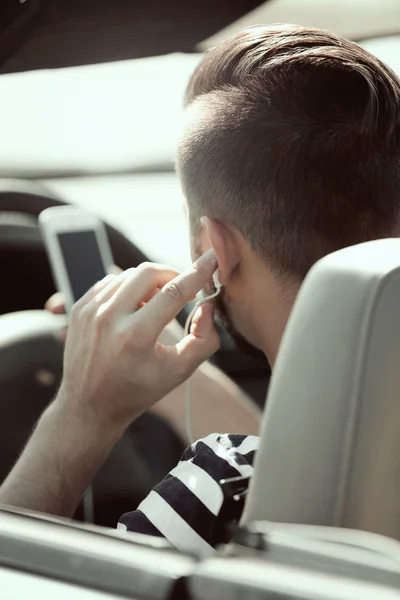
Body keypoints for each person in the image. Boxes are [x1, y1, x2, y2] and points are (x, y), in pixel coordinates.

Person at [1, 24, 400, 558]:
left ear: (216, 248)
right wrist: (189, 390)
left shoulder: (218, 490)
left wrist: (83, 412)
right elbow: (319, 460)